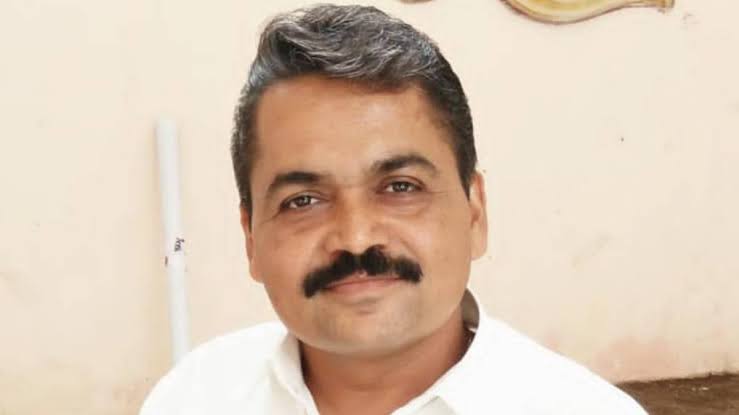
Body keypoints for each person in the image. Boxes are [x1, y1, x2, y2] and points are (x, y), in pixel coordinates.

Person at [140, 4, 646, 414]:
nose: (356, 237)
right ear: (251, 238)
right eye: (303, 200)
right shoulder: (192, 398)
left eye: (401, 187)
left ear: (475, 213)